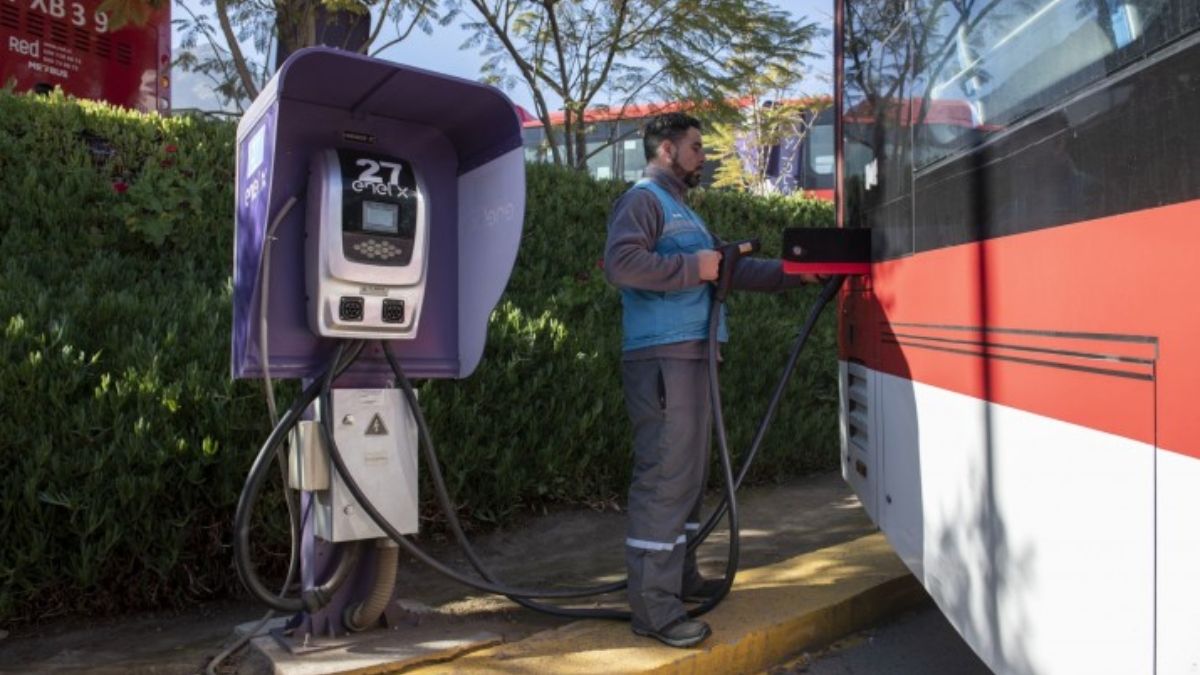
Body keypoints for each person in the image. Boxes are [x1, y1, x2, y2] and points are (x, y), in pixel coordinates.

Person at [603, 112, 819, 648]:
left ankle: (680, 580)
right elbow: (622, 265)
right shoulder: (643, 200)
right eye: (696, 147)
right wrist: (690, 270)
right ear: (667, 151)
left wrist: (798, 273)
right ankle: (654, 610)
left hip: (695, 357)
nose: (704, 155)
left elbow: (729, 269)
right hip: (662, 358)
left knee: (690, 476)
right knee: (664, 479)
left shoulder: (685, 214)